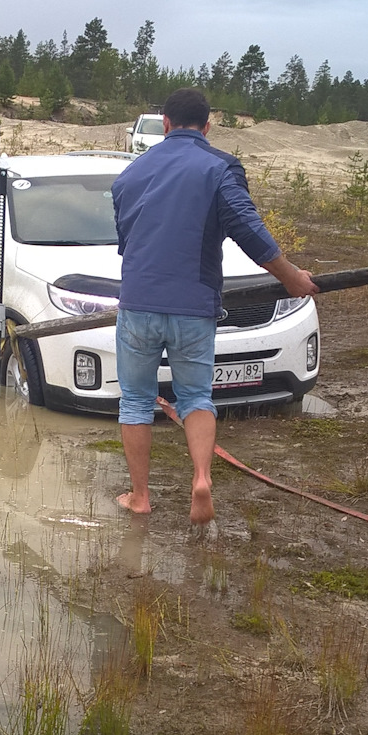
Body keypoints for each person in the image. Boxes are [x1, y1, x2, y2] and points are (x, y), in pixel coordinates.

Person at [111, 86, 317, 524]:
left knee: (134, 401)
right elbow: (248, 228)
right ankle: (201, 478)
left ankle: (141, 496)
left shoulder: (129, 175)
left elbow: (127, 243)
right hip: (193, 305)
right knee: (196, 397)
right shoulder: (219, 167)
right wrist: (292, 277)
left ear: (164, 124)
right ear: (207, 126)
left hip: (138, 305)